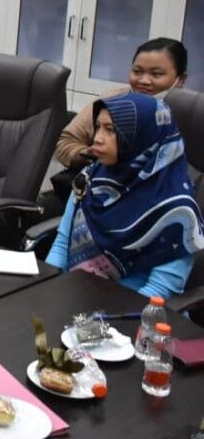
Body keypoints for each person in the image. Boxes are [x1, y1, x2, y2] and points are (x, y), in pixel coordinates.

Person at [47, 92, 204, 299]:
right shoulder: (90, 177)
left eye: (111, 130)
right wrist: (46, 288)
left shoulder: (178, 212)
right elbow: (61, 245)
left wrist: (96, 316)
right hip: (75, 296)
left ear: (142, 137)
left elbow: (159, 293)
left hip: (130, 310)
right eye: (98, 127)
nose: (97, 138)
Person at [55, 38, 188, 169]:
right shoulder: (111, 100)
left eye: (156, 74)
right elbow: (65, 141)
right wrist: (92, 158)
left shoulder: (190, 117)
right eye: (137, 72)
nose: (144, 81)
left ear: (180, 79)